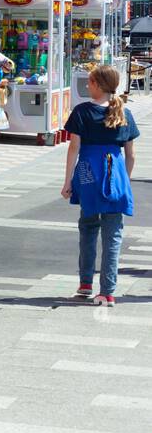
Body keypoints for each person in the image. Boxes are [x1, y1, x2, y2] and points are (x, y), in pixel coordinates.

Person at [60, 65, 139, 307]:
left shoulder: (82, 112)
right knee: (113, 233)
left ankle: (85, 283)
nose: (87, 85)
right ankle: (108, 290)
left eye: (90, 82)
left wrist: (68, 181)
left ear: (98, 85)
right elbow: (131, 154)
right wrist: (123, 179)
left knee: (88, 225)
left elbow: (74, 147)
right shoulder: (124, 112)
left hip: (87, 172)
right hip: (115, 172)